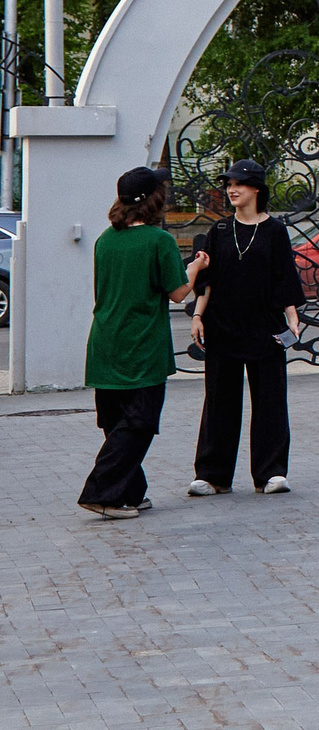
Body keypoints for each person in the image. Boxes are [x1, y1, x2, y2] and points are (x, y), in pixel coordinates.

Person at [77, 167, 194, 518]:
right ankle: (102, 494)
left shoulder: (104, 239)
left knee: (114, 423)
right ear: (154, 200)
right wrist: (197, 269)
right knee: (139, 422)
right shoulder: (160, 241)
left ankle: (131, 491)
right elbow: (177, 293)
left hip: (104, 343)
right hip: (141, 346)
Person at [187, 159, 306, 497]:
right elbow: (207, 280)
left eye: (238, 183)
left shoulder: (275, 231)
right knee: (219, 401)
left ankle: (271, 473)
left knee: (270, 400)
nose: (231, 189)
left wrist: (293, 318)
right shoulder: (220, 230)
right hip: (222, 325)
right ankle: (212, 475)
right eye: (227, 185)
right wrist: (197, 316)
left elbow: (285, 277)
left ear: (257, 188)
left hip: (264, 327)